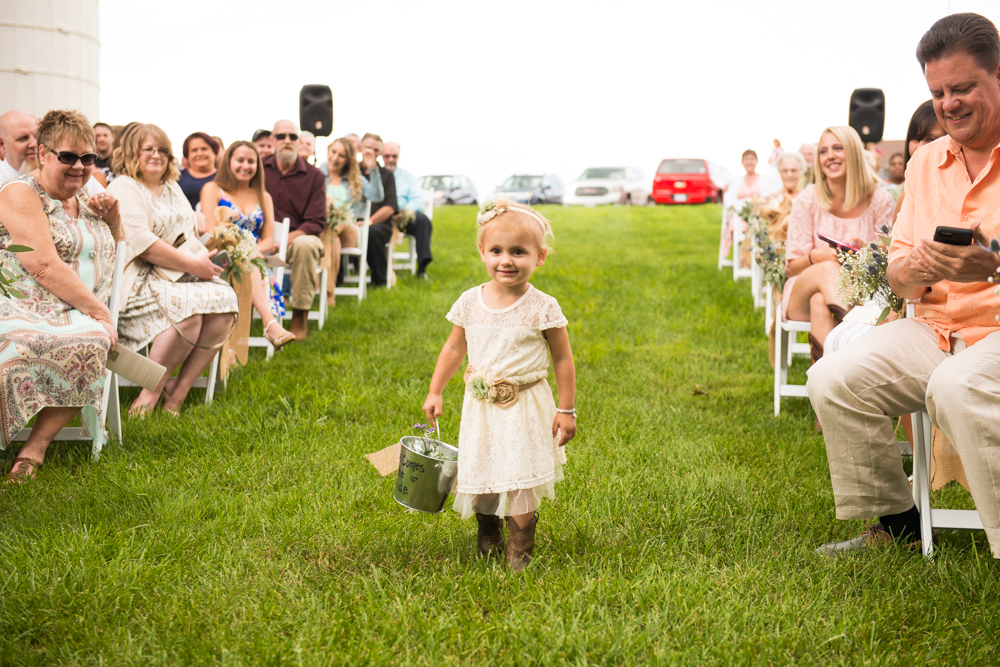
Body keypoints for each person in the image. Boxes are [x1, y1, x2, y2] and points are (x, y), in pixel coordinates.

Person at [808, 13, 1000, 558]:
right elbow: (895, 272)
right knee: (832, 378)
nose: (948, 103)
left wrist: (992, 267)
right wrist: (918, 268)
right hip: (935, 326)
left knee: (956, 387)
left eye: (962, 87)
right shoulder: (925, 163)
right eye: (938, 92)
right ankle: (894, 523)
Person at [422, 198, 576, 571]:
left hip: (525, 404)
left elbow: (562, 358)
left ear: (539, 257)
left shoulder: (543, 306)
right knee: (484, 466)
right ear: (482, 252)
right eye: (497, 251)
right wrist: (435, 389)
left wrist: (566, 409)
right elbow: (455, 346)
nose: (506, 260)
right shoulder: (469, 302)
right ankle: (488, 531)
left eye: (518, 252)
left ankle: (519, 549)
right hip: (482, 407)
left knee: (520, 473)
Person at [0, 109, 123, 480]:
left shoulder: (87, 195)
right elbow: (42, 266)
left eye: (88, 158)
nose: (79, 166)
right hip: (23, 304)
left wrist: (113, 217)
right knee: (19, 344)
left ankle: (34, 450)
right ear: (42, 153)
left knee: (91, 341)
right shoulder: (21, 192)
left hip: (78, 310)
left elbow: (118, 248)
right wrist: (100, 312)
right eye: (68, 157)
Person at [107, 123, 238, 416]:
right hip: (139, 276)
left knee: (225, 303)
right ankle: (149, 393)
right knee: (188, 314)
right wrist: (194, 264)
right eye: (149, 149)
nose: (157, 155)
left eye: (163, 150)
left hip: (179, 273)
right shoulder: (124, 186)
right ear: (131, 153)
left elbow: (189, 228)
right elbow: (142, 242)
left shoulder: (171, 187)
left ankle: (178, 395)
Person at [783, 126, 894, 370]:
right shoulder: (808, 198)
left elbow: (888, 263)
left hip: (863, 292)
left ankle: (825, 396)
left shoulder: (880, 200)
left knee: (820, 304)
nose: (829, 156)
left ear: (853, 152)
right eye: (823, 151)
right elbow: (792, 268)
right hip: (803, 287)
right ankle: (858, 349)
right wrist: (817, 257)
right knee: (828, 268)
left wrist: (864, 251)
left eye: (837, 148)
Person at [201, 141, 295, 350]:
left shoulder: (263, 196)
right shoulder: (213, 189)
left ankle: (265, 326)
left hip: (253, 257)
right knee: (246, 263)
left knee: (247, 263)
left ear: (258, 166)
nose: (246, 165)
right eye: (240, 160)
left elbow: (269, 240)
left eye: (251, 161)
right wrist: (238, 251)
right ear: (229, 162)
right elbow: (209, 233)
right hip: (219, 257)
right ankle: (270, 324)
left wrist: (248, 251)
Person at [262, 119, 326, 341]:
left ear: (299, 142)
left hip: (297, 240)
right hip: (260, 239)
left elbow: (317, 221)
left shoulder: (314, 175)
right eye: (281, 136)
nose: (287, 141)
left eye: (292, 137)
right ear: (272, 140)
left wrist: (286, 239)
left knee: (306, 245)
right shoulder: (258, 168)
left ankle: (299, 315)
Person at [324, 136, 382, 306]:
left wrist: (373, 169)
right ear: (328, 150)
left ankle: (328, 290)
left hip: (349, 229)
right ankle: (329, 291)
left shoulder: (355, 179)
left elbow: (378, 196)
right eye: (333, 152)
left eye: (341, 155)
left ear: (348, 160)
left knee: (336, 223)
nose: (335, 158)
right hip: (327, 230)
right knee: (331, 235)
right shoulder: (318, 175)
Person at [0, 110, 106, 197]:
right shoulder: (10, 190)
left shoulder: (78, 176)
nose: (34, 143)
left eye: (36, 137)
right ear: (2, 145)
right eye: (22, 138)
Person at [383, 141, 434, 278]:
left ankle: (422, 267)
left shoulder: (408, 177)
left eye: (394, 156)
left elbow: (418, 199)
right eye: (387, 156)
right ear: (382, 156)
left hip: (403, 215)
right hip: (383, 217)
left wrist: (403, 211)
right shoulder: (378, 176)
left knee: (423, 221)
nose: (391, 160)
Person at [721, 149, 774, 265]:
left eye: (752, 159)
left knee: (756, 225)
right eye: (746, 159)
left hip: (758, 215)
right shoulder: (736, 181)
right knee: (736, 223)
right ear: (742, 162)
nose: (749, 162)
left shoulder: (764, 180)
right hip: (739, 215)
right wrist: (736, 208)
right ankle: (744, 260)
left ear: (756, 162)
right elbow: (728, 199)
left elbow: (767, 199)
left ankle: (753, 259)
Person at [177, 132, 220, 209]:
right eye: (194, 150)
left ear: (214, 152)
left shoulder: (225, 178)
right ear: (187, 155)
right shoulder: (177, 178)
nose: (199, 153)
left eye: (204, 149)